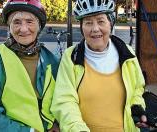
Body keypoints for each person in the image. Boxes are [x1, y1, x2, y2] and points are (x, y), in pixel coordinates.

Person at [50, 0, 148, 131]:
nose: (95, 29)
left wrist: (136, 106)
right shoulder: (71, 57)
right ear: (81, 27)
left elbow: (137, 88)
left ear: (110, 24)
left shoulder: (127, 53)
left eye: (101, 21)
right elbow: (64, 100)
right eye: (88, 22)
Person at [0, 0, 60, 131]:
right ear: (9, 26)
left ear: (39, 26)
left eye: (30, 21)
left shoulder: (51, 60)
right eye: (17, 22)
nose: (24, 29)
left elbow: (61, 100)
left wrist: (56, 122)